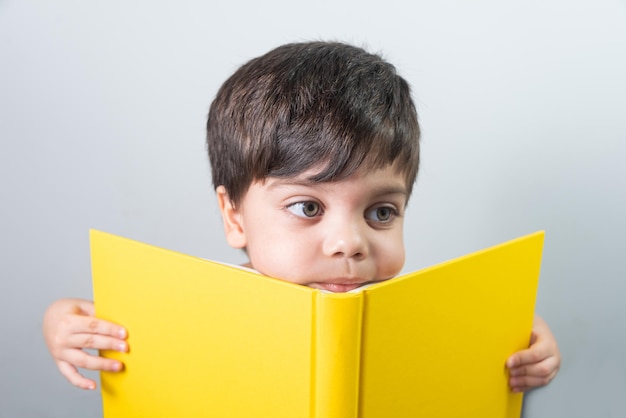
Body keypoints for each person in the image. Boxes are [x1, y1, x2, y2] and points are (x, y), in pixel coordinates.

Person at [43, 41, 560, 393]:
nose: (348, 242)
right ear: (235, 217)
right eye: (307, 207)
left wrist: (522, 340)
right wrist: (62, 325)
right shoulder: (204, 300)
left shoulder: (410, 312)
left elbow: (482, 332)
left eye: (381, 212)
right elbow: (87, 314)